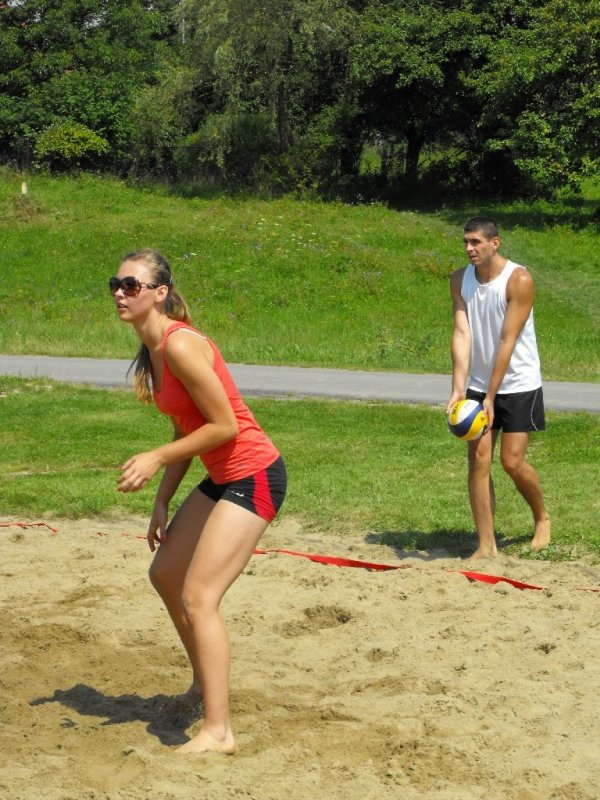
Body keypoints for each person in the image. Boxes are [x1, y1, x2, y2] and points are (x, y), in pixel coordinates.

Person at [111, 248, 287, 754]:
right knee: (165, 574)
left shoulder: (180, 344)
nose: (121, 293)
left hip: (254, 474)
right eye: (116, 285)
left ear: (159, 293)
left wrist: (155, 457)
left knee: (199, 596)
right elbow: (186, 425)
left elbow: (225, 427)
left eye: (132, 285)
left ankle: (219, 731)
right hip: (223, 476)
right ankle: (202, 687)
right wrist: (163, 499)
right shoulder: (153, 350)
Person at [446, 218, 550, 560]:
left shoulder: (518, 280)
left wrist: (491, 397)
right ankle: (486, 545)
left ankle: (541, 517)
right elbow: (462, 334)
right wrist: (459, 389)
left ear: (495, 243)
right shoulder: (461, 280)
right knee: (478, 460)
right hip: (477, 385)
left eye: (475, 242)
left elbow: (508, 339)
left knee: (512, 462)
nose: (468, 248)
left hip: (518, 382)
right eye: (465, 242)